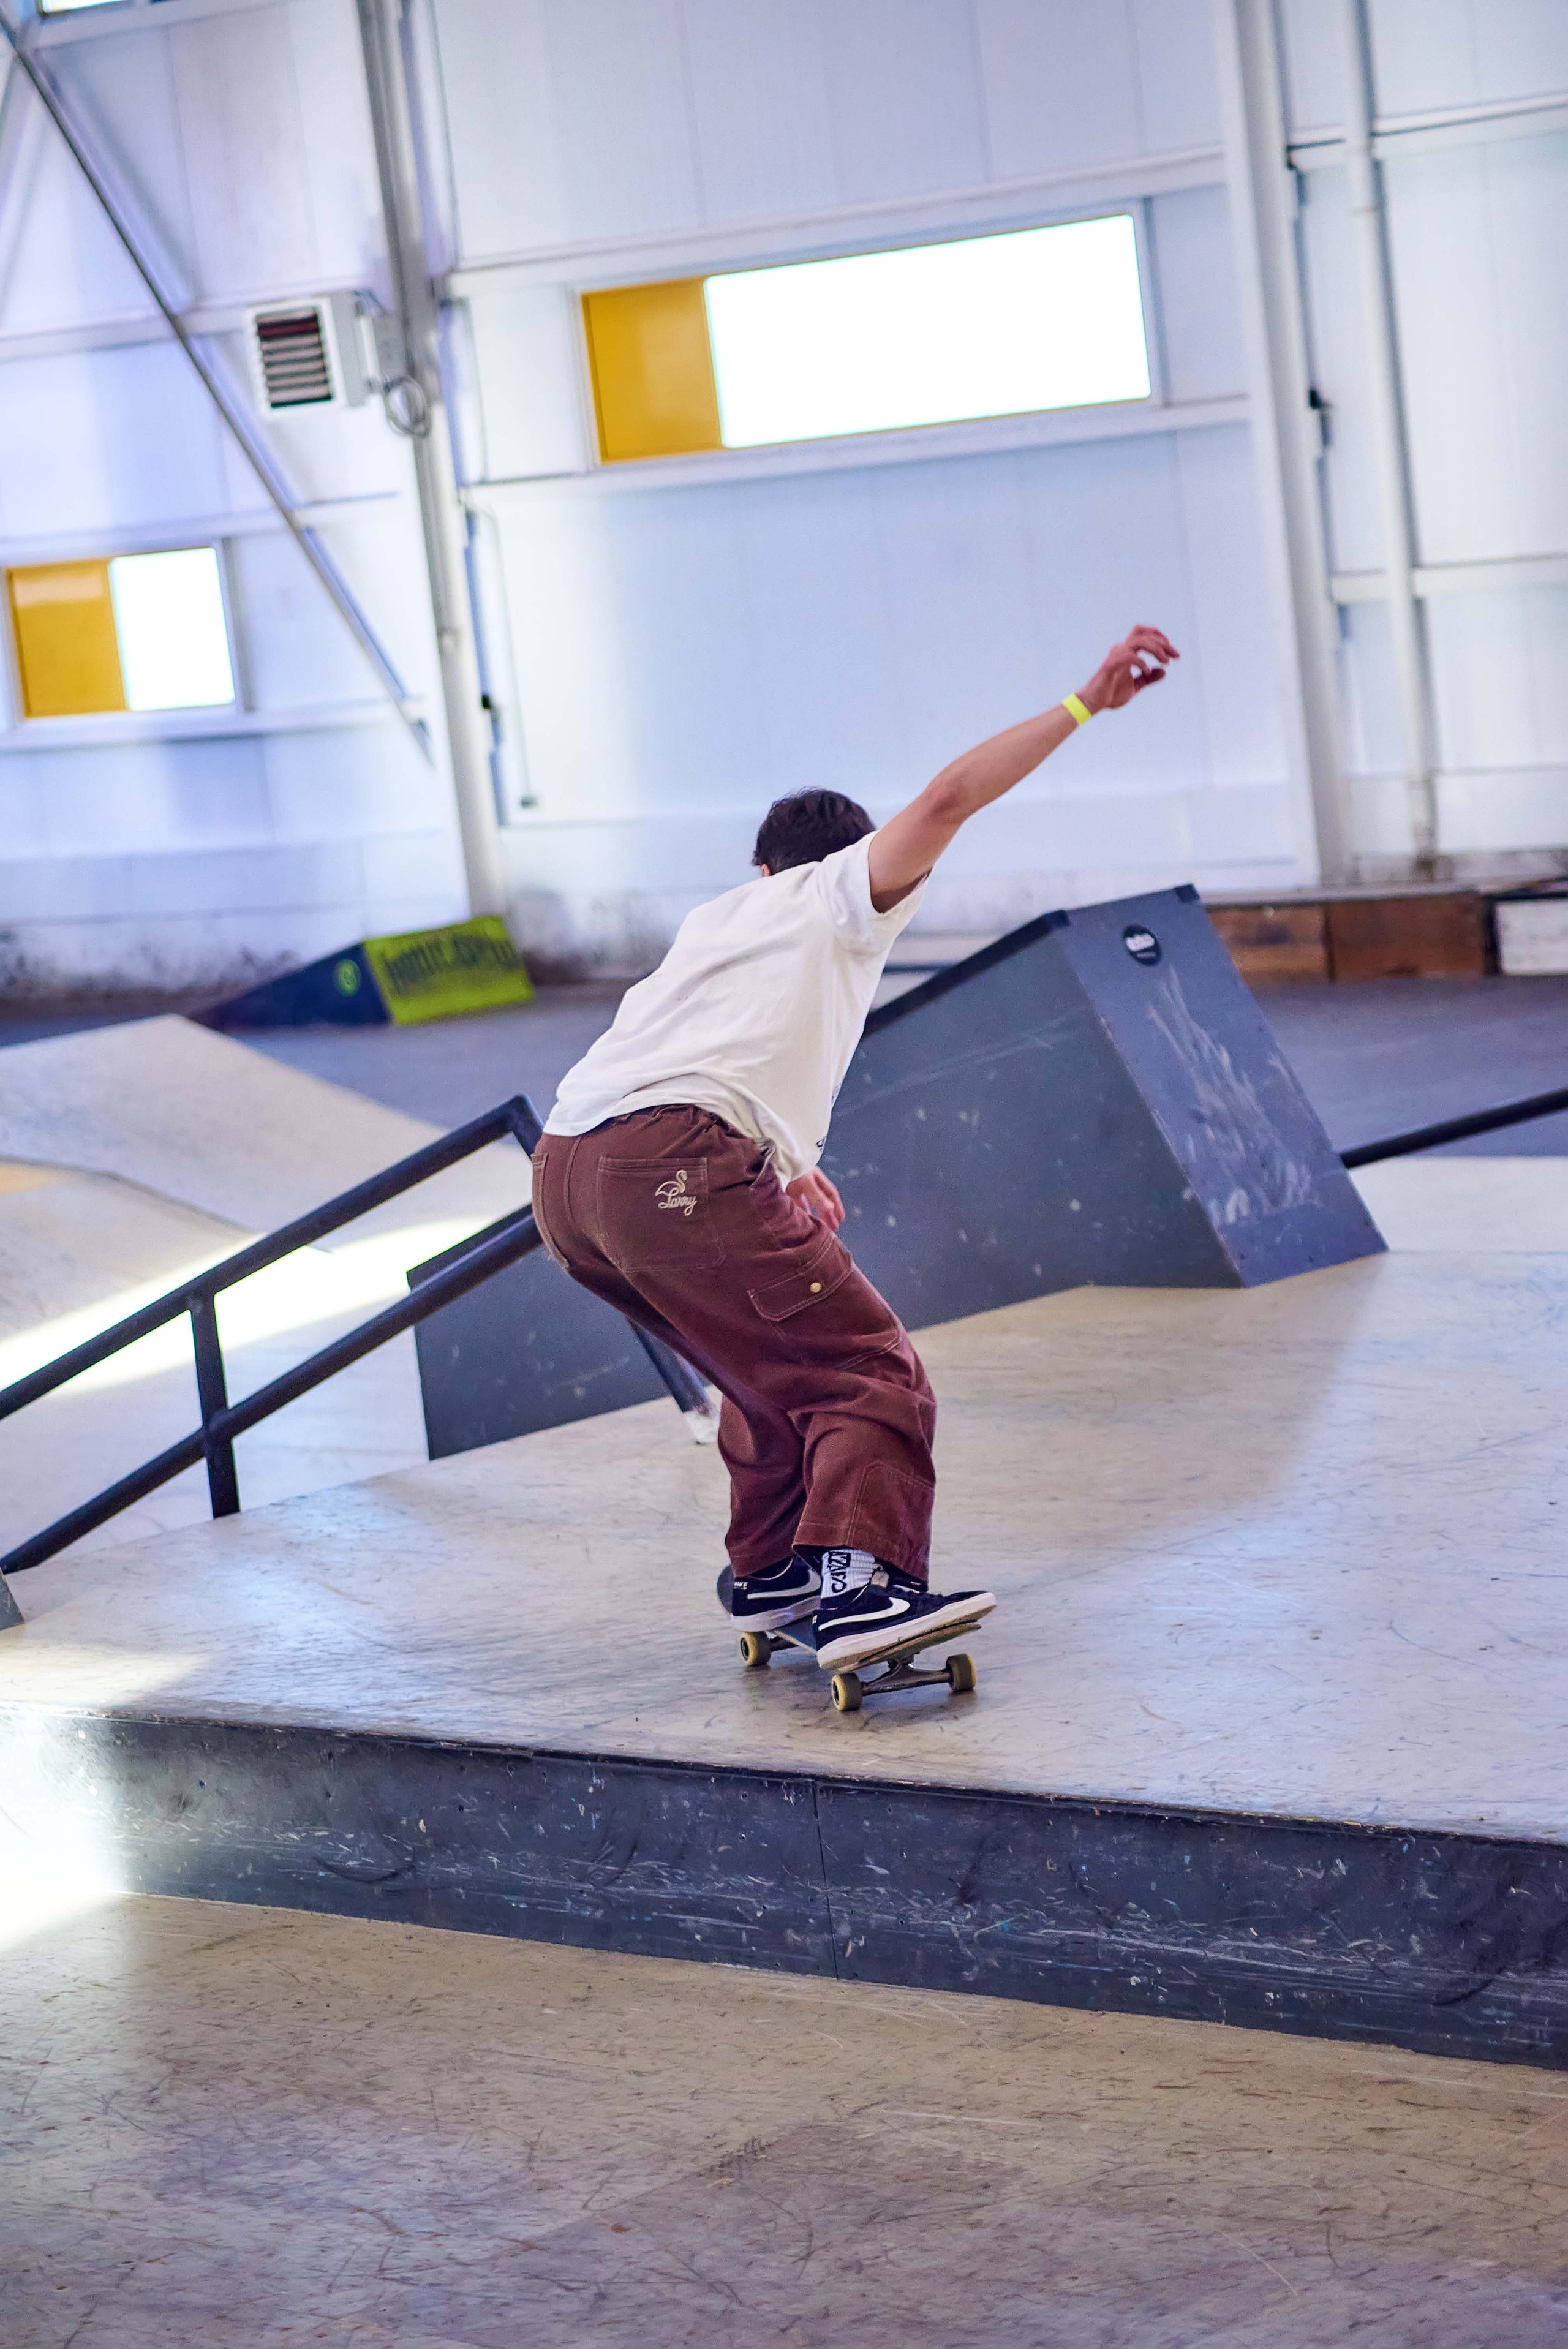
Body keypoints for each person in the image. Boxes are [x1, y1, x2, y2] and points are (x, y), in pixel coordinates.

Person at [530, 625, 1178, 1673]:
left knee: (760, 1367)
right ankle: (863, 1585)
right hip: (671, 1161)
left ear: (759, 864)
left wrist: (780, 1162)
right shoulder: (840, 894)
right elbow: (949, 799)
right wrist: (1084, 703)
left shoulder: (720, 917)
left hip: (566, 1177)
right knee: (866, 1367)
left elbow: (703, 1051)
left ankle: (773, 1569)